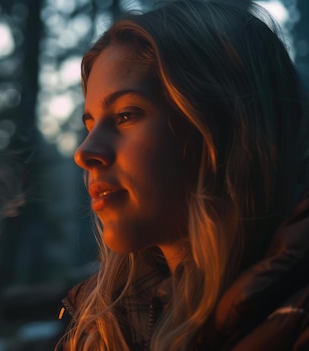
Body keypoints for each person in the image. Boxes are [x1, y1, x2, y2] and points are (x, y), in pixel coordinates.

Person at [58, 1, 309, 350]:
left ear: (226, 128)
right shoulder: (106, 331)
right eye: (90, 124)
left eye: (126, 115)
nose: (84, 153)